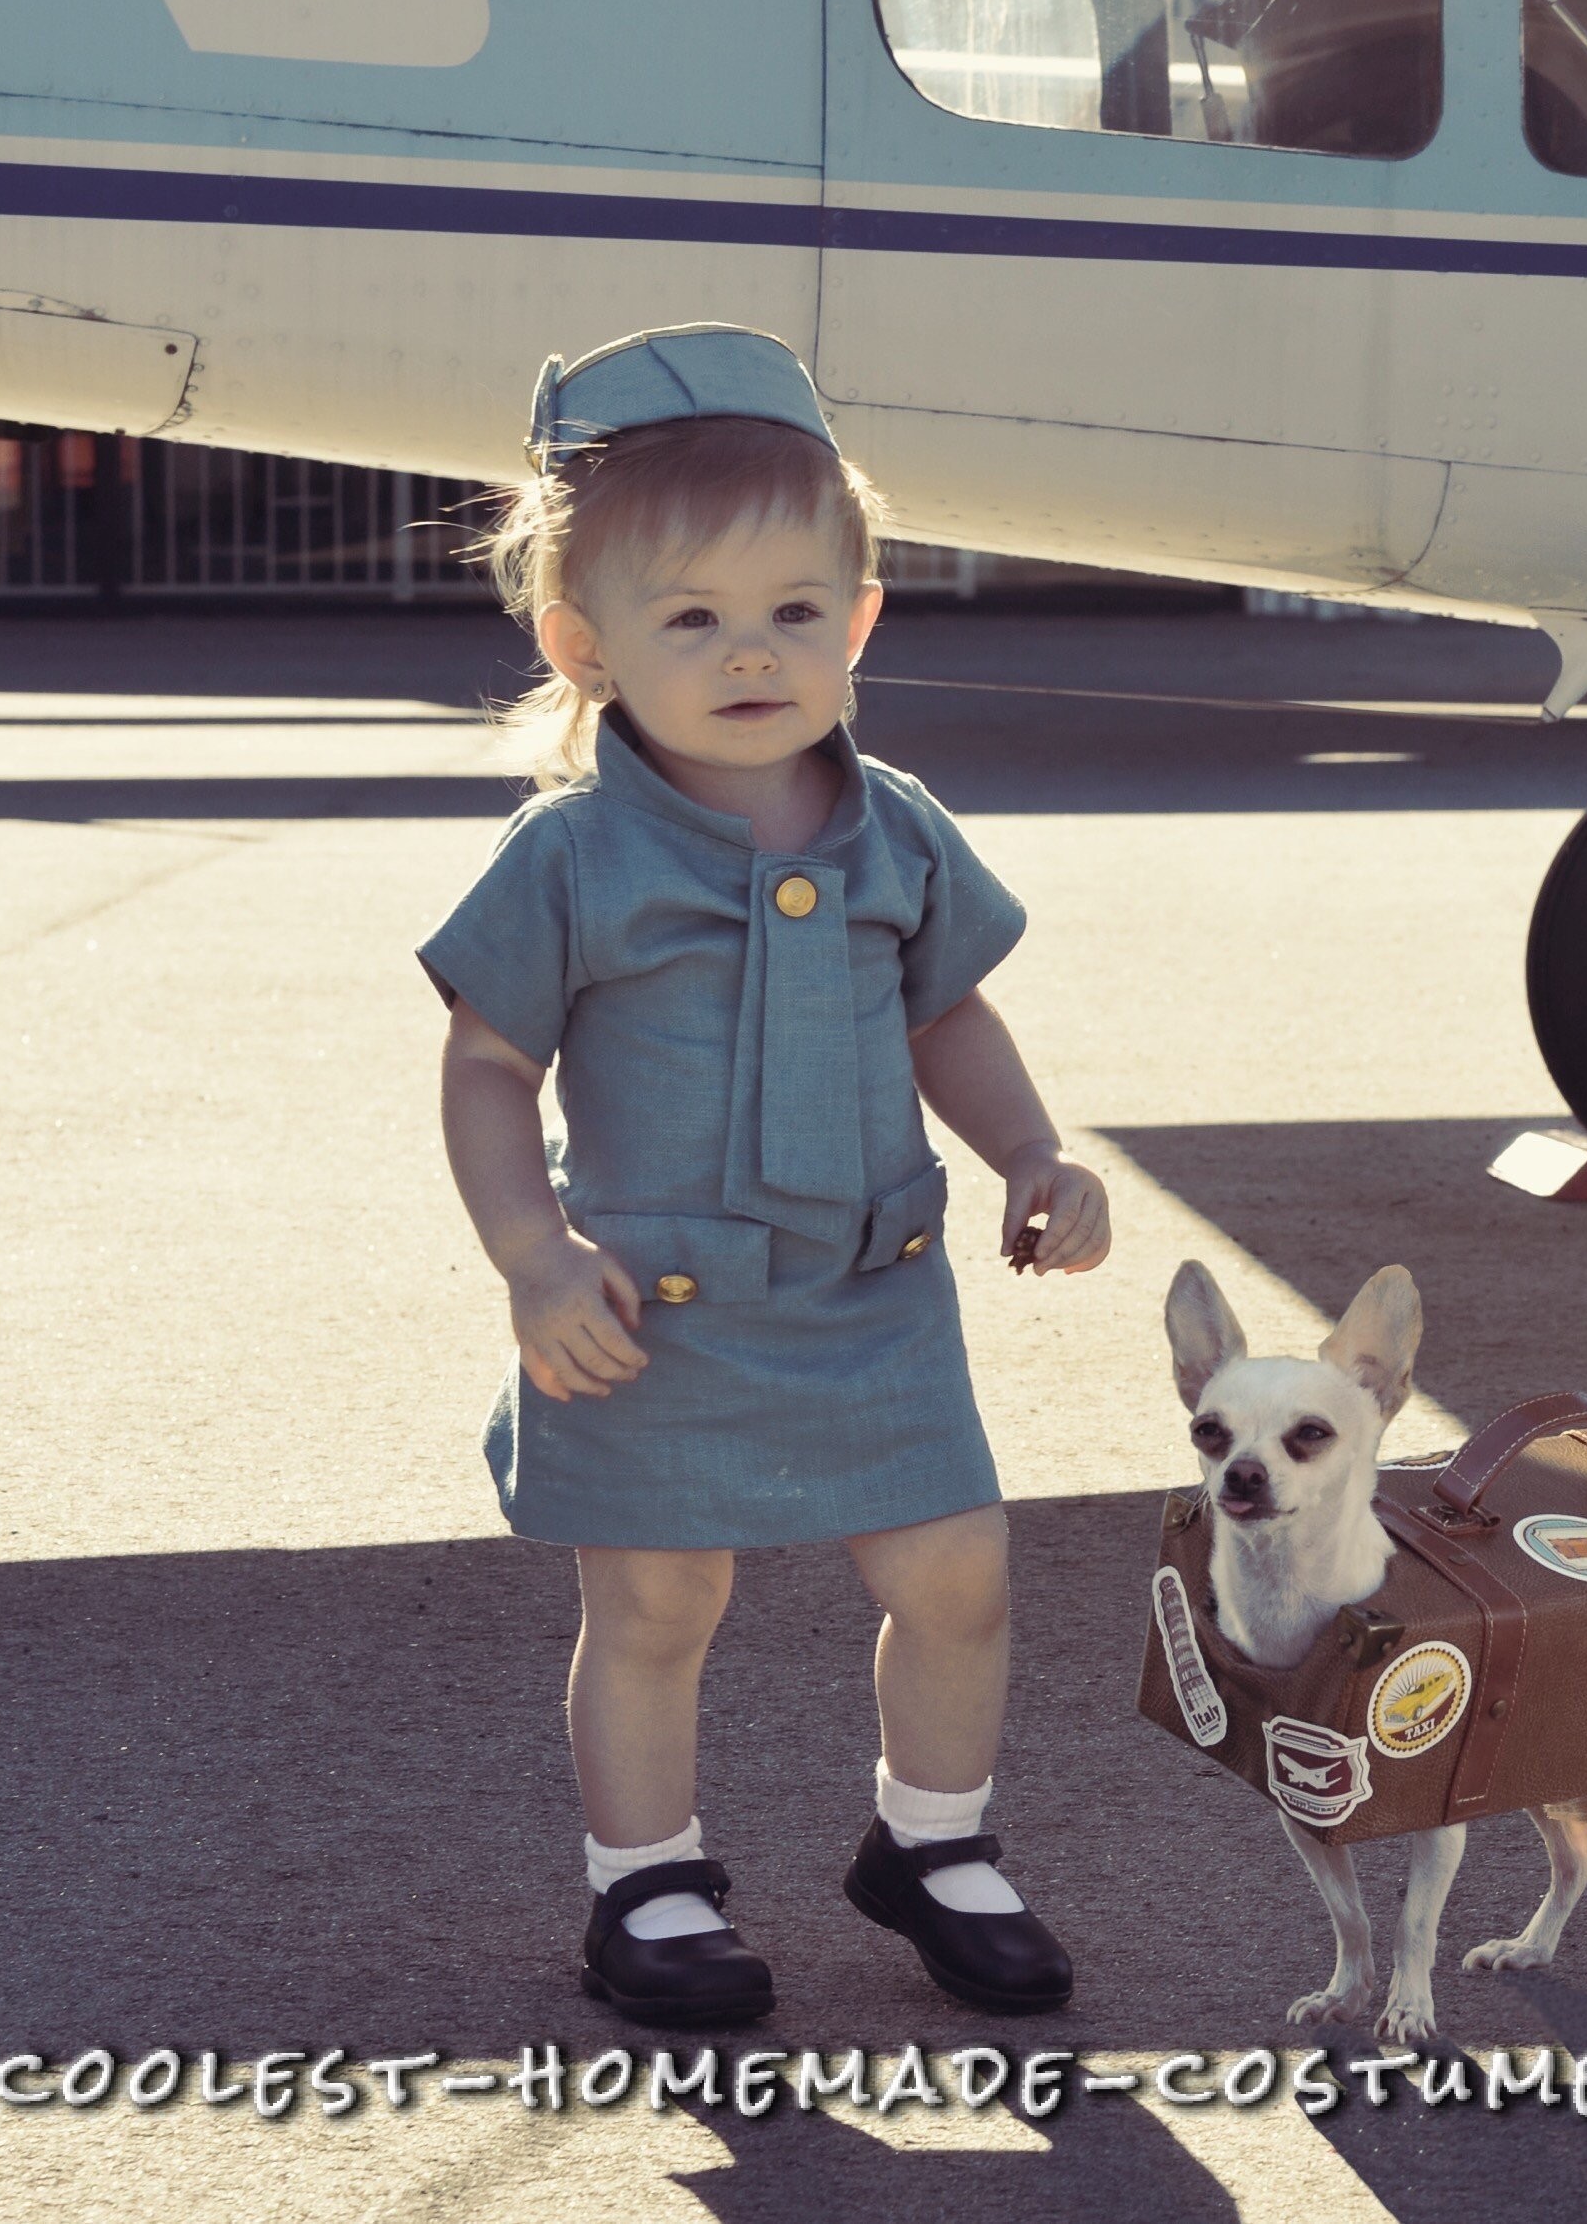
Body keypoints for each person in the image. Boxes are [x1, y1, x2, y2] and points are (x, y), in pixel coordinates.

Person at [417, 325, 1110, 2028]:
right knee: (658, 1599)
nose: (753, 654)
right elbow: (487, 1069)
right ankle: (646, 1887)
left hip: (872, 1291)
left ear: (863, 617)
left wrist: (1032, 1150)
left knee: (958, 1570)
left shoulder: (899, 828)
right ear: (584, 648)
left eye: (798, 610)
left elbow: (948, 1010)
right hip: (645, 1309)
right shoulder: (572, 853)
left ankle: (934, 1843)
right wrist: (531, 1252)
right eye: (693, 619)